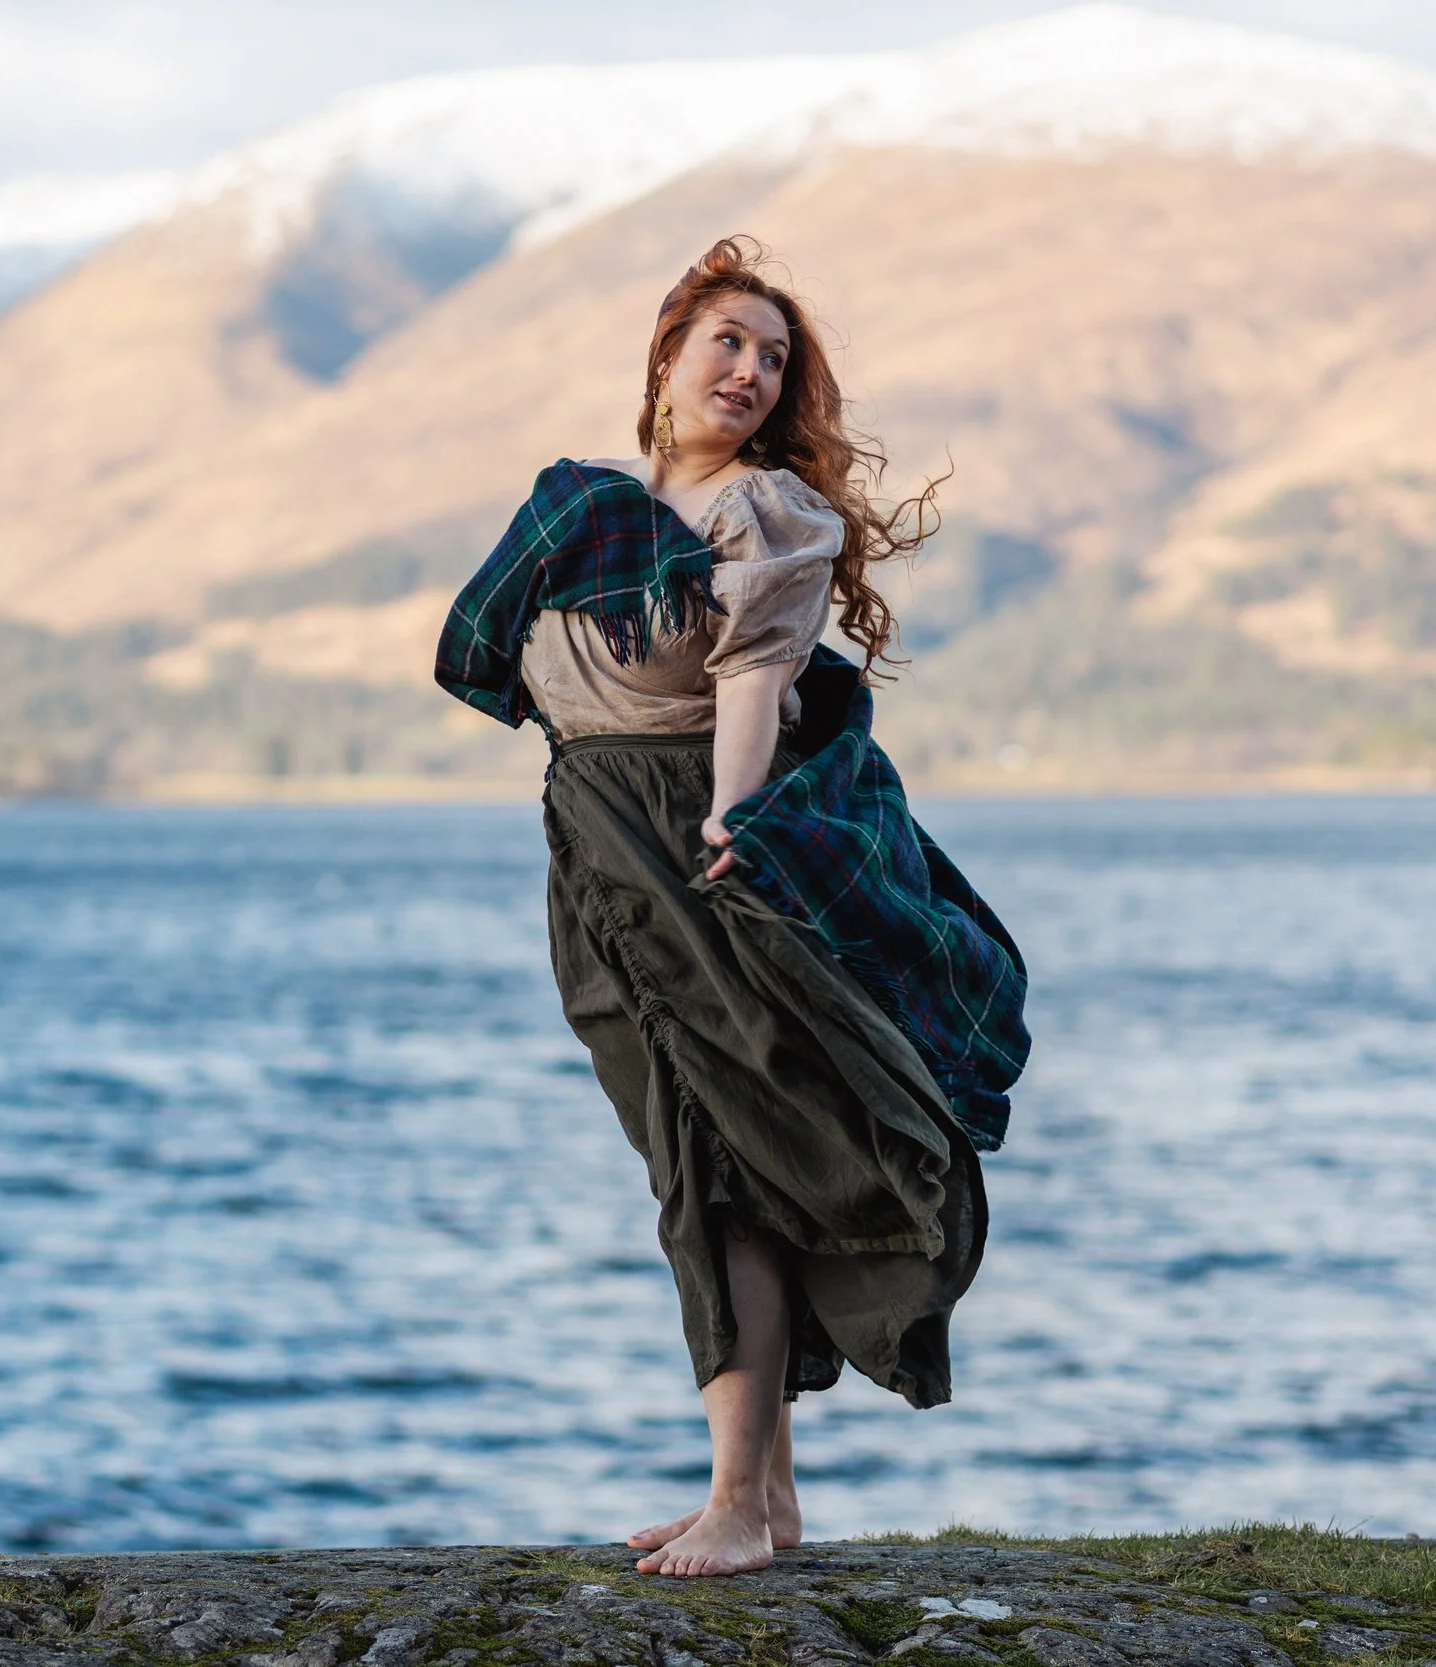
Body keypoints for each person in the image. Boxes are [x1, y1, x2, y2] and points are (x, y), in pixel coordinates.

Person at [435, 237, 1032, 1577]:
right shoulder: (584, 511)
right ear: (666, 360)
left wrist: (734, 820)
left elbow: (757, 682)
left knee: (727, 1157)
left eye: (774, 357)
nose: (752, 372)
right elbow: (508, 665)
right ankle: (766, 1498)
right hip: (592, 851)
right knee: (693, 1153)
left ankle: (732, 1502)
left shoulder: (768, 518)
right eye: (730, 344)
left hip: (694, 845)